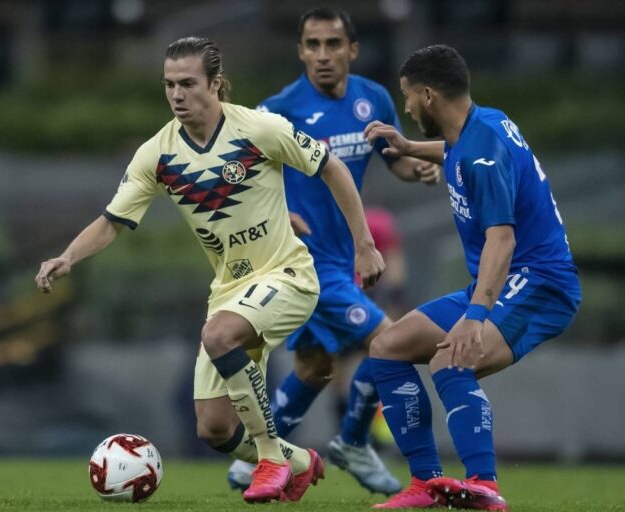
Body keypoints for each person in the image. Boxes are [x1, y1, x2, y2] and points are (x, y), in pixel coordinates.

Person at [35, 36, 386, 503]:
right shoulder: (157, 154)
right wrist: (68, 257)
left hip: (288, 276)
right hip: (230, 291)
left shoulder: (260, 128)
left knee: (219, 336)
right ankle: (301, 462)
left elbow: (331, 168)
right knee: (215, 429)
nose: (177, 95)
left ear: (216, 84)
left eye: (187, 83)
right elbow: (111, 221)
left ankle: (270, 459)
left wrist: (364, 243)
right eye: (169, 85)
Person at [226, 7, 439, 495]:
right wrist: (273, 215)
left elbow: (394, 162)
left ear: (352, 50)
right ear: (300, 51)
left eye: (333, 44)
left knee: (314, 368)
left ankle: (264, 456)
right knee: (393, 342)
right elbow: (235, 172)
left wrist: (417, 170)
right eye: (313, 45)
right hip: (304, 263)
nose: (323, 55)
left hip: (343, 260)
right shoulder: (279, 109)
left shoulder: (374, 98)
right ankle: (353, 441)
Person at [363, 45, 581, 509]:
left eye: (406, 97)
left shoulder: (482, 157)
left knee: (450, 361)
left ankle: (485, 484)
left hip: (541, 284)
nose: (404, 107)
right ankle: (425, 483)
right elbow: (456, 149)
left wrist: (475, 315)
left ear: (427, 95)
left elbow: (502, 240)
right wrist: (407, 146)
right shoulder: (486, 122)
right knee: (387, 347)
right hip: (503, 279)